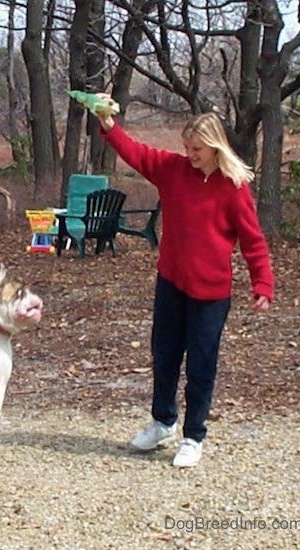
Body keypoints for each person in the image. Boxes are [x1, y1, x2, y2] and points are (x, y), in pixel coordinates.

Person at [96, 100, 274, 467]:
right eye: (187, 147)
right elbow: (136, 153)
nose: (190, 154)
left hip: (211, 293)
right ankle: (163, 422)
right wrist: (109, 125)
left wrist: (263, 283)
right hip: (171, 282)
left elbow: (253, 240)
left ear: (215, 147)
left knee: (201, 365)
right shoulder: (172, 170)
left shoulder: (234, 188)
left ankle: (193, 436)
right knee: (164, 355)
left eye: (197, 149)